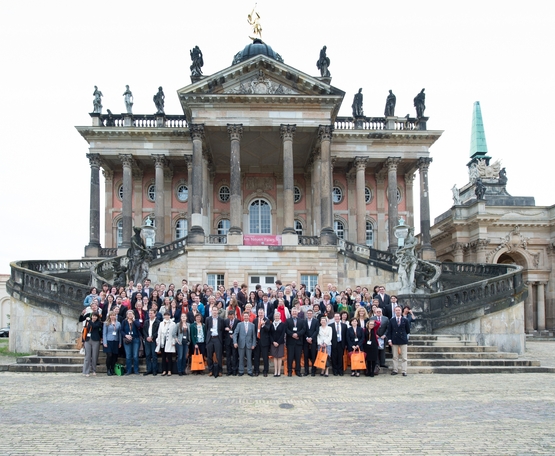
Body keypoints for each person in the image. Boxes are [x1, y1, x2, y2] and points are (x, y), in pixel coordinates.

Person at [387, 306, 411, 376]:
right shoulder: (391, 320)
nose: (398, 311)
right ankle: (395, 369)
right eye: (396, 310)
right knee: (395, 356)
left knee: (404, 357)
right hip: (394, 340)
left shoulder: (405, 320)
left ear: (401, 311)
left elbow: (408, 330)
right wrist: (389, 340)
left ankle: (404, 371)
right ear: (394, 311)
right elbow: (389, 331)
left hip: (403, 340)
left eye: (399, 310)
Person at [233, 310, 256, 376]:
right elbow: (235, 334)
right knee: (241, 358)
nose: (246, 317)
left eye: (247, 316)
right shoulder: (239, 324)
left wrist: (254, 344)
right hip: (241, 344)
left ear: (249, 317)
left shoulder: (252, 325)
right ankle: (241, 371)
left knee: (249, 358)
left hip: (249, 344)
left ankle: (249, 371)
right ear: (243, 317)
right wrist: (235, 342)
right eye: (244, 316)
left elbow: (254, 336)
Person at [285, 308, 306, 377]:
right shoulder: (288, 320)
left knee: (298, 357)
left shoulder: (302, 321)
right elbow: (286, 329)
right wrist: (292, 334)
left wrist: (297, 334)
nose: (294, 313)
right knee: (290, 357)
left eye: (295, 311)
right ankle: (290, 371)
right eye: (293, 312)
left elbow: (303, 329)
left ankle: (298, 371)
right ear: (291, 313)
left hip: (298, 342)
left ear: (297, 313)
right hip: (290, 342)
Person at [206, 306, 224, 377]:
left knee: (219, 355)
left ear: (217, 311)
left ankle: (219, 370)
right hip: (210, 338)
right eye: (213, 310)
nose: (214, 312)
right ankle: (210, 370)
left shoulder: (221, 320)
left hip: (217, 338)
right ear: (211, 311)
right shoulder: (208, 319)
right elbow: (207, 329)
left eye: (216, 310)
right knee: (209, 355)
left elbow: (221, 329)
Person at [157, 311, 177, 376]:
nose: (166, 316)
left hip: (169, 341)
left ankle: (169, 370)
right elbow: (159, 332)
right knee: (163, 357)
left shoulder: (173, 323)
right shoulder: (161, 323)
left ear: (170, 316)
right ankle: (164, 370)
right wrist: (158, 341)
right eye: (165, 315)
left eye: (168, 315)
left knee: (169, 357)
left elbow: (174, 333)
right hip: (163, 341)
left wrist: (173, 341)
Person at [82, 312, 102, 377]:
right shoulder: (88, 322)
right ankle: (86, 371)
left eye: (96, 316)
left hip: (95, 340)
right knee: (87, 356)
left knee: (94, 356)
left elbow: (94, 326)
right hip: (88, 339)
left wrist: (89, 320)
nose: (94, 317)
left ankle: (94, 370)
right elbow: (85, 330)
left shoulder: (98, 322)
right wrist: (83, 340)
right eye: (93, 316)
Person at [253, 308, 271, 377]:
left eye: (261, 313)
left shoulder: (267, 320)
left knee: (265, 357)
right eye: (259, 313)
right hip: (257, 340)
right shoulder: (255, 320)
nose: (260, 314)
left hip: (264, 341)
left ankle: (265, 371)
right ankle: (256, 370)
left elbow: (268, 329)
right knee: (256, 357)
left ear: (264, 313)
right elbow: (253, 331)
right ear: (257, 313)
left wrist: (263, 325)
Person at [121, 310, 141, 375]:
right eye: (128, 314)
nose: (130, 315)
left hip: (135, 339)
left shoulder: (136, 321)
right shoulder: (124, 321)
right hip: (127, 340)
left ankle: (136, 370)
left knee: (135, 356)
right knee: (128, 356)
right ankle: (128, 370)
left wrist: (134, 320)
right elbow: (121, 330)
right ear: (126, 315)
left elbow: (139, 326)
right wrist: (126, 335)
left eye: (131, 314)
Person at [102, 311, 122, 376]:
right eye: (111, 315)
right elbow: (104, 333)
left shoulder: (118, 323)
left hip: (115, 341)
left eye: (114, 315)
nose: (112, 316)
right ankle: (108, 369)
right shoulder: (106, 323)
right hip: (108, 340)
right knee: (109, 355)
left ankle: (112, 368)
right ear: (109, 316)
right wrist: (104, 342)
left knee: (114, 356)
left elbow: (119, 333)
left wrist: (120, 342)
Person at [143, 309, 160, 376]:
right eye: (149, 313)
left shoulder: (158, 322)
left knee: (154, 355)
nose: (150, 315)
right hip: (147, 340)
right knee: (147, 355)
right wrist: (147, 337)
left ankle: (154, 370)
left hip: (154, 340)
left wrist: (152, 337)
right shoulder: (146, 321)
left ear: (155, 314)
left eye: (151, 313)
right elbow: (144, 331)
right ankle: (149, 369)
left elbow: (158, 331)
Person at [269, 311, 286, 377]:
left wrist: (278, 342)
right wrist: (273, 341)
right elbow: (270, 334)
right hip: (273, 343)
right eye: (275, 316)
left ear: (280, 317)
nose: (276, 317)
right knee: (275, 357)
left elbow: (283, 334)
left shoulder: (282, 324)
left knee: (279, 357)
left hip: (280, 343)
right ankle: (275, 371)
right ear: (274, 317)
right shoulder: (271, 324)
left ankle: (279, 372)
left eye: (278, 316)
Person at [303, 309, 319, 376]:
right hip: (306, 341)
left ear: (312, 314)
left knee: (313, 356)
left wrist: (311, 338)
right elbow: (303, 331)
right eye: (308, 313)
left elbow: (316, 330)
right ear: (306, 314)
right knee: (306, 356)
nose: (309, 314)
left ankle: (313, 371)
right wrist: (307, 338)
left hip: (313, 341)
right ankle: (306, 371)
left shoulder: (316, 321)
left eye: (310, 313)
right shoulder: (304, 321)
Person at [224, 310, 239, 376]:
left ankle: (235, 370)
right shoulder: (226, 321)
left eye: (232, 316)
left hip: (234, 341)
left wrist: (234, 335)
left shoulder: (238, 321)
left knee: (235, 356)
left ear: (234, 315)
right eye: (229, 316)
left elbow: (239, 331)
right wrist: (226, 329)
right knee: (228, 356)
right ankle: (229, 370)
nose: (231, 317)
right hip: (227, 341)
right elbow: (223, 331)